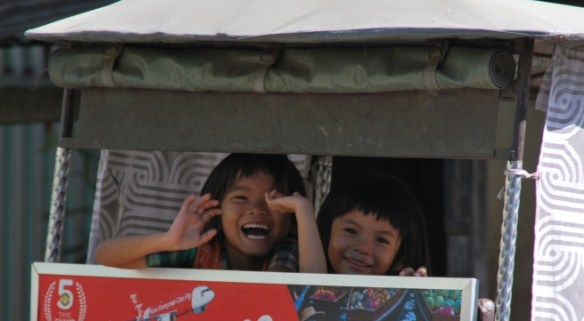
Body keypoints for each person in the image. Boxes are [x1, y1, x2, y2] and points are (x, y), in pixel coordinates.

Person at [95, 153, 326, 273]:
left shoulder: (290, 248)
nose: (257, 209)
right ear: (217, 208)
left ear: (290, 217)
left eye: (274, 199)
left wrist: (304, 211)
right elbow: (105, 256)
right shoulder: (200, 252)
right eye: (241, 198)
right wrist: (167, 240)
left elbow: (306, 288)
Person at [315, 168, 494, 321]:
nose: (363, 247)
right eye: (351, 231)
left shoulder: (408, 301)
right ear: (326, 230)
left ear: (401, 255)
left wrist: (413, 302)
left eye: (381, 240)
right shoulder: (298, 289)